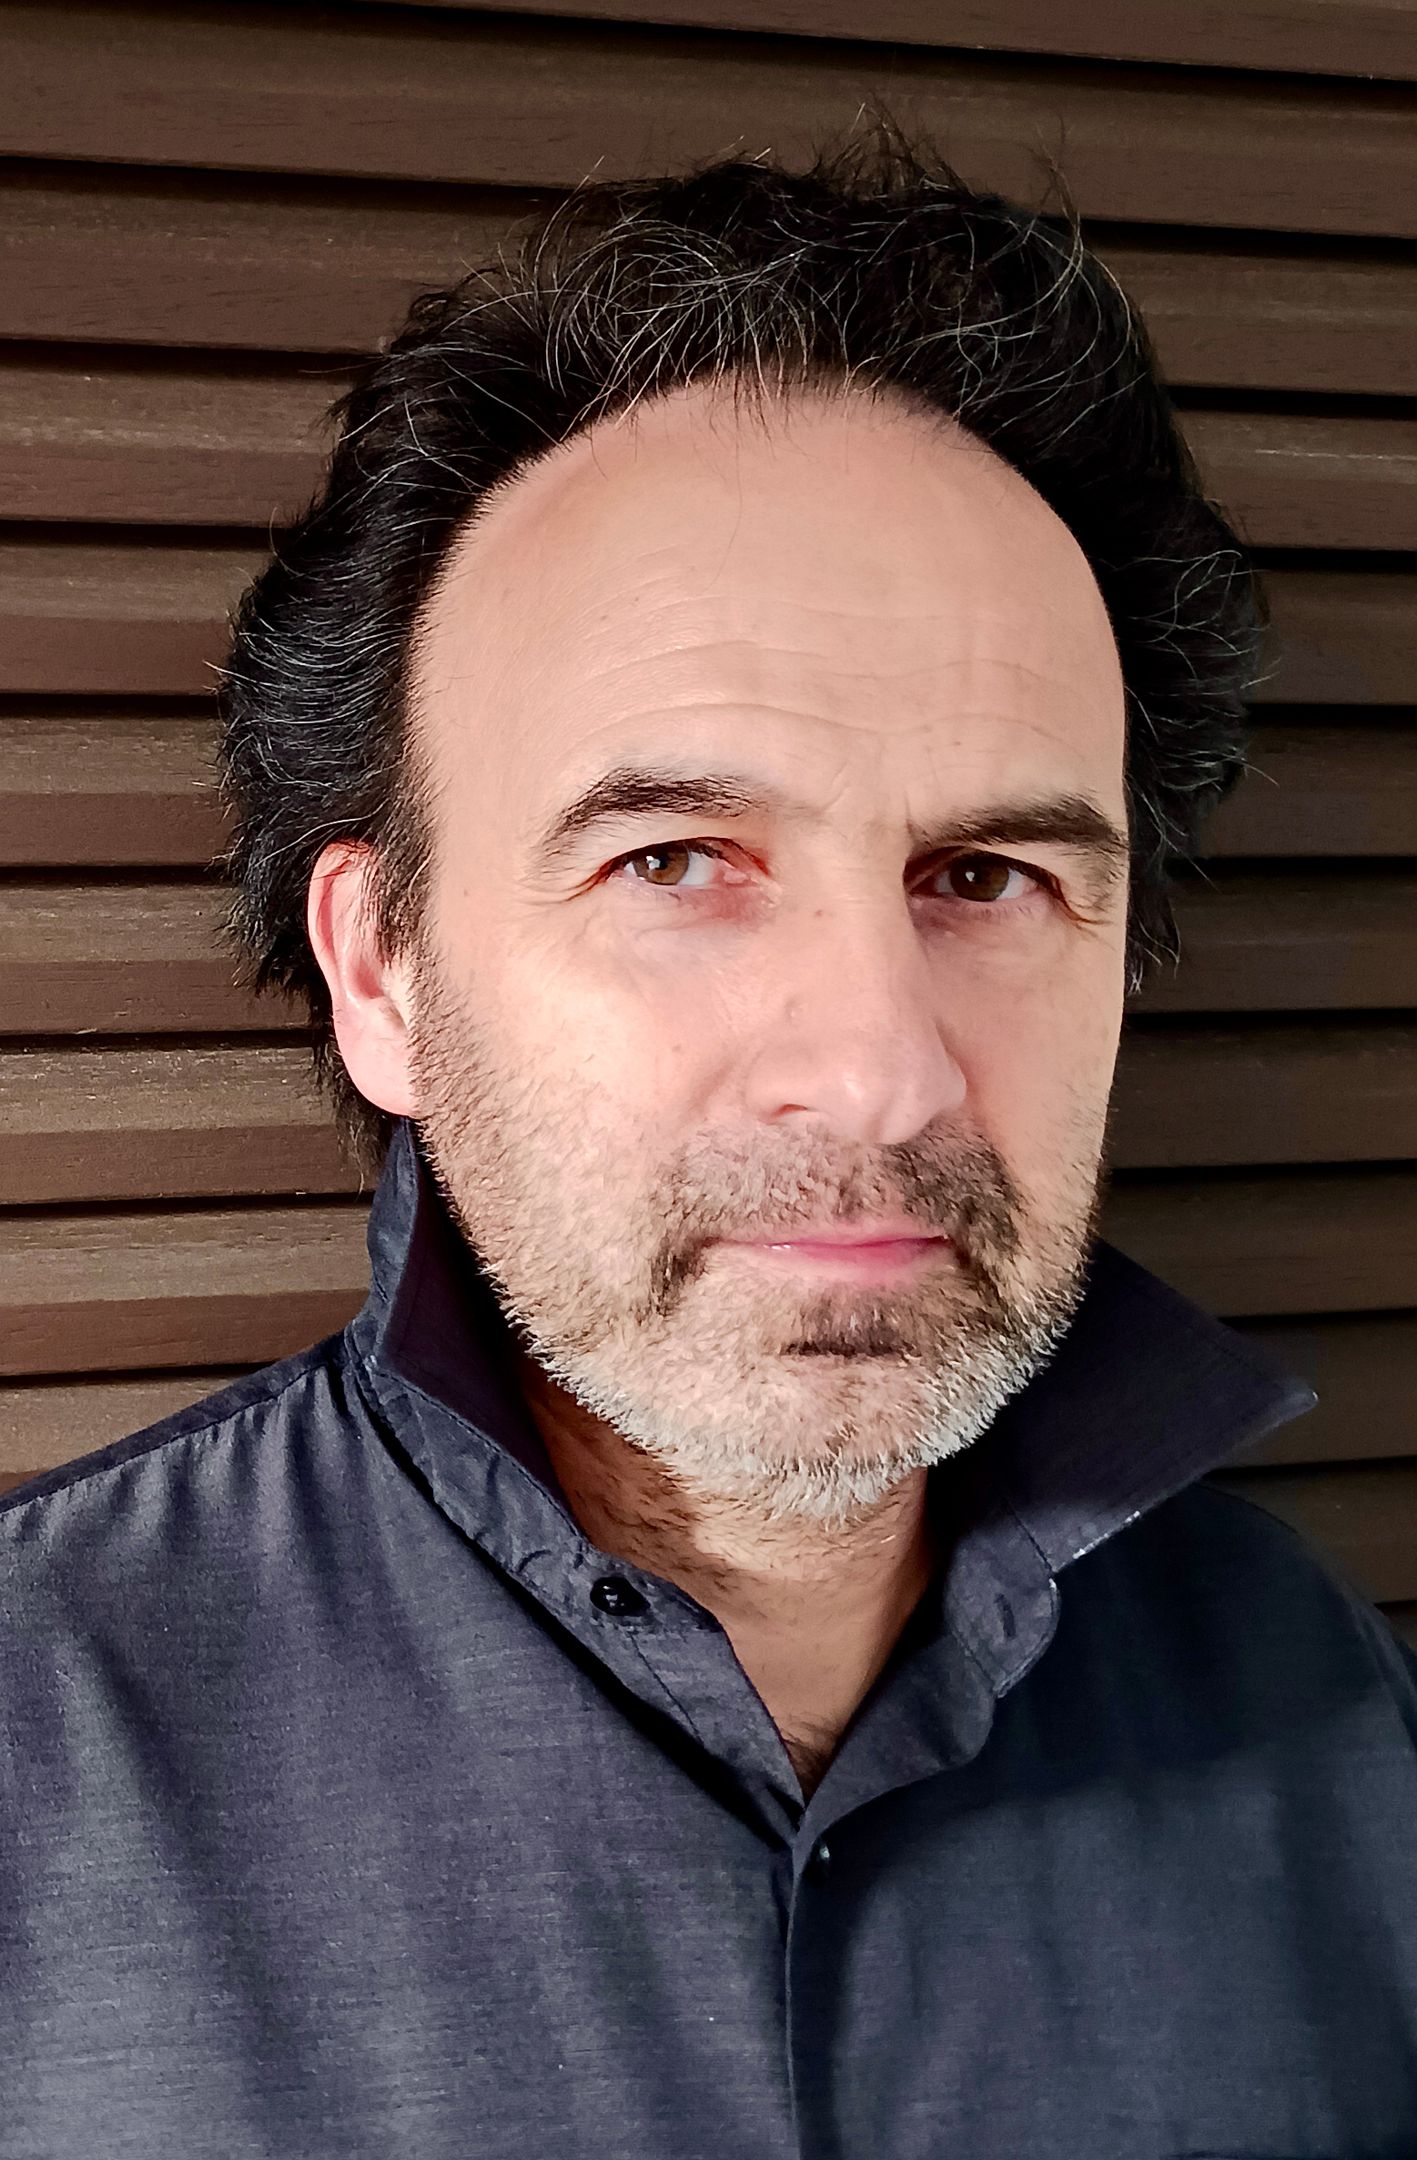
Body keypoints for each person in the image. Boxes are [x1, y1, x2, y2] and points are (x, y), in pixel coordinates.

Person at [3, 125, 1415, 2159]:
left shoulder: (1327, 1721)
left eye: (989, 875)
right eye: (674, 860)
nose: (880, 1074)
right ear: (383, 969)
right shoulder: (38, 1751)